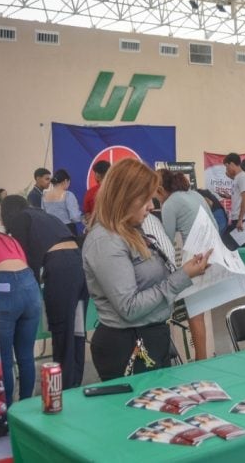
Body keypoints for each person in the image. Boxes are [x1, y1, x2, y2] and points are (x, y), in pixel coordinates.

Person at [83, 159, 212, 381]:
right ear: (125, 198)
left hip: (151, 337)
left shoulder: (133, 231)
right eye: (145, 200)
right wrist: (182, 276)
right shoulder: (105, 241)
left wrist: (186, 271)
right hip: (127, 345)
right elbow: (129, 307)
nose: (152, 207)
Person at [0, 195, 87, 389]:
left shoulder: (20, 219)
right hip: (78, 263)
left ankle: (62, 388)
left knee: (62, 329)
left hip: (60, 268)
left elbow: (24, 260)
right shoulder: (43, 215)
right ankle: (75, 382)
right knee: (77, 330)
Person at [156, 169, 217, 361]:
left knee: (195, 313)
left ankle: (200, 361)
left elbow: (165, 240)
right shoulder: (195, 195)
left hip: (194, 259)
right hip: (210, 254)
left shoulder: (169, 204)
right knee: (200, 310)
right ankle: (203, 357)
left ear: (159, 189)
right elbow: (214, 224)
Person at [0, 227, 41, 406]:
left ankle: (8, 413)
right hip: (30, 286)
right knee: (26, 356)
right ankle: (27, 409)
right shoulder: (5, 238)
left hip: (3, 286)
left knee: (5, 359)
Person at [42, 169, 83, 236]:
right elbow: (75, 217)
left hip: (50, 230)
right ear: (66, 181)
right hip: (67, 229)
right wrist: (82, 218)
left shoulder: (44, 195)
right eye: (69, 182)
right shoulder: (68, 195)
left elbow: (43, 214)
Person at [223, 153, 245, 232]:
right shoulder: (237, 177)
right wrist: (228, 196)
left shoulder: (242, 177)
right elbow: (239, 196)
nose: (227, 170)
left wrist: (240, 220)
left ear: (231, 164)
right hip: (237, 217)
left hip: (243, 219)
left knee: (239, 244)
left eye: (226, 167)